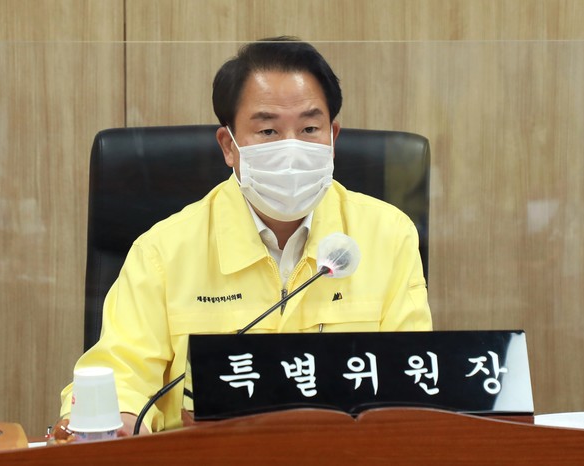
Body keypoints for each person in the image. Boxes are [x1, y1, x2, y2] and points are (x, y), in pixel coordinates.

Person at [55, 36, 432, 439]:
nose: (291, 149)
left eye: (309, 128)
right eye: (268, 130)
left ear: (333, 138)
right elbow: (118, 380)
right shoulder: (164, 251)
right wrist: (117, 423)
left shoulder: (388, 236)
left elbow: (411, 382)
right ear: (229, 146)